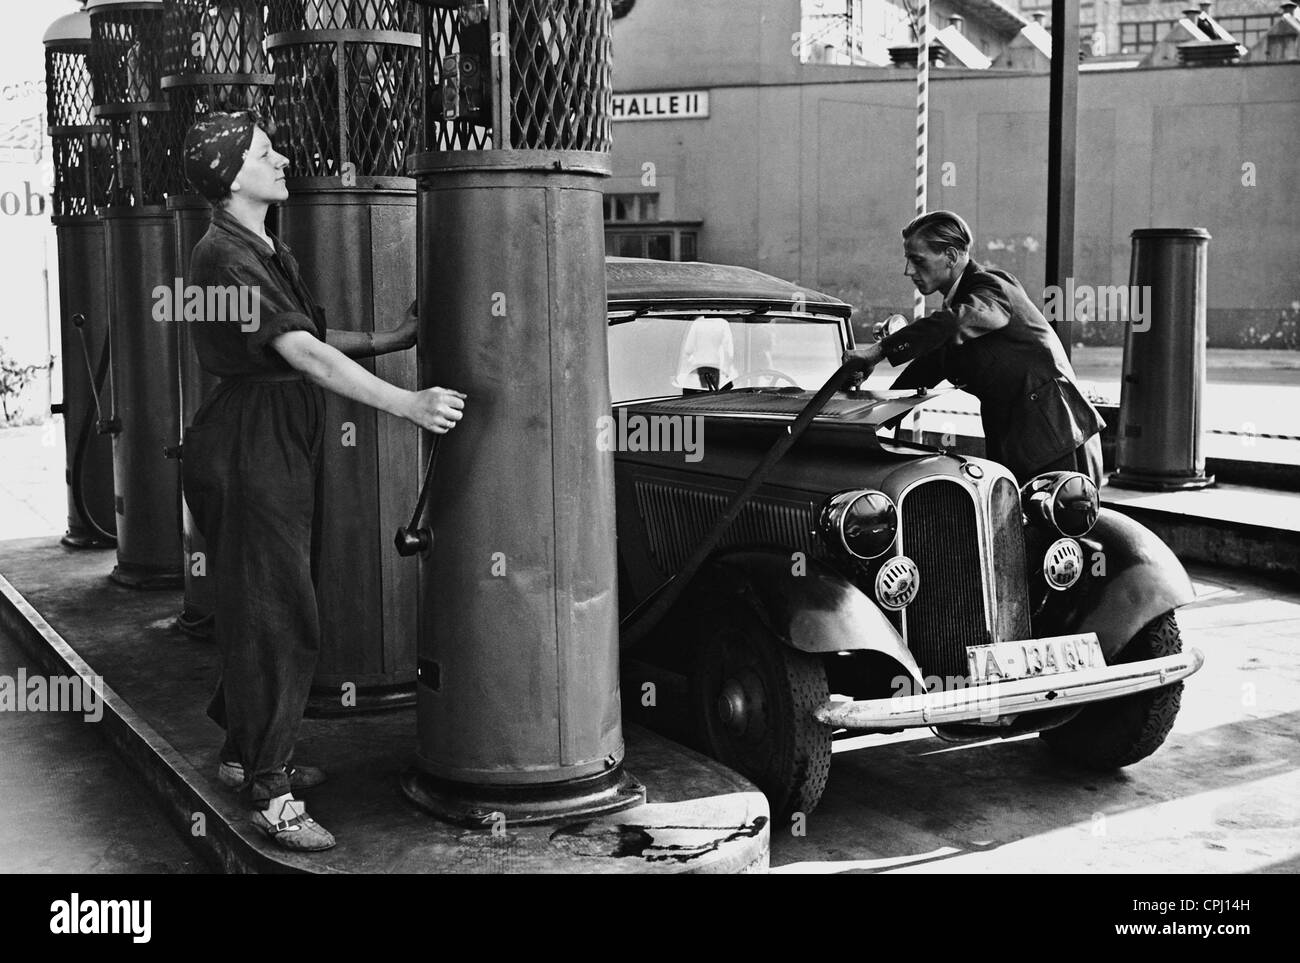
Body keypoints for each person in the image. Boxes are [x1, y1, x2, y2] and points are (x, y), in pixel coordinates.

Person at [179, 111, 465, 851]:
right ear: (230, 173)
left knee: (271, 597)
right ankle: (269, 790)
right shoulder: (224, 256)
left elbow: (304, 333)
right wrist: (407, 402)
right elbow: (301, 354)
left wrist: (388, 339)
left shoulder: (261, 245)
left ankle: (247, 749)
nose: (281, 159)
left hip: (274, 432)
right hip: (251, 441)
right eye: (264, 151)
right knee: (276, 609)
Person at [846, 210, 1104, 485]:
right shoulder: (961, 305)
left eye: (917, 260)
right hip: (1030, 440)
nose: (908, 270)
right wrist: (863, 419)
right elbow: (932, 364)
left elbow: (955, 325)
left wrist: (877, 351)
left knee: (1061, 527)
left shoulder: (990, 287)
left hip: (1057, 437)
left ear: (951, 256)